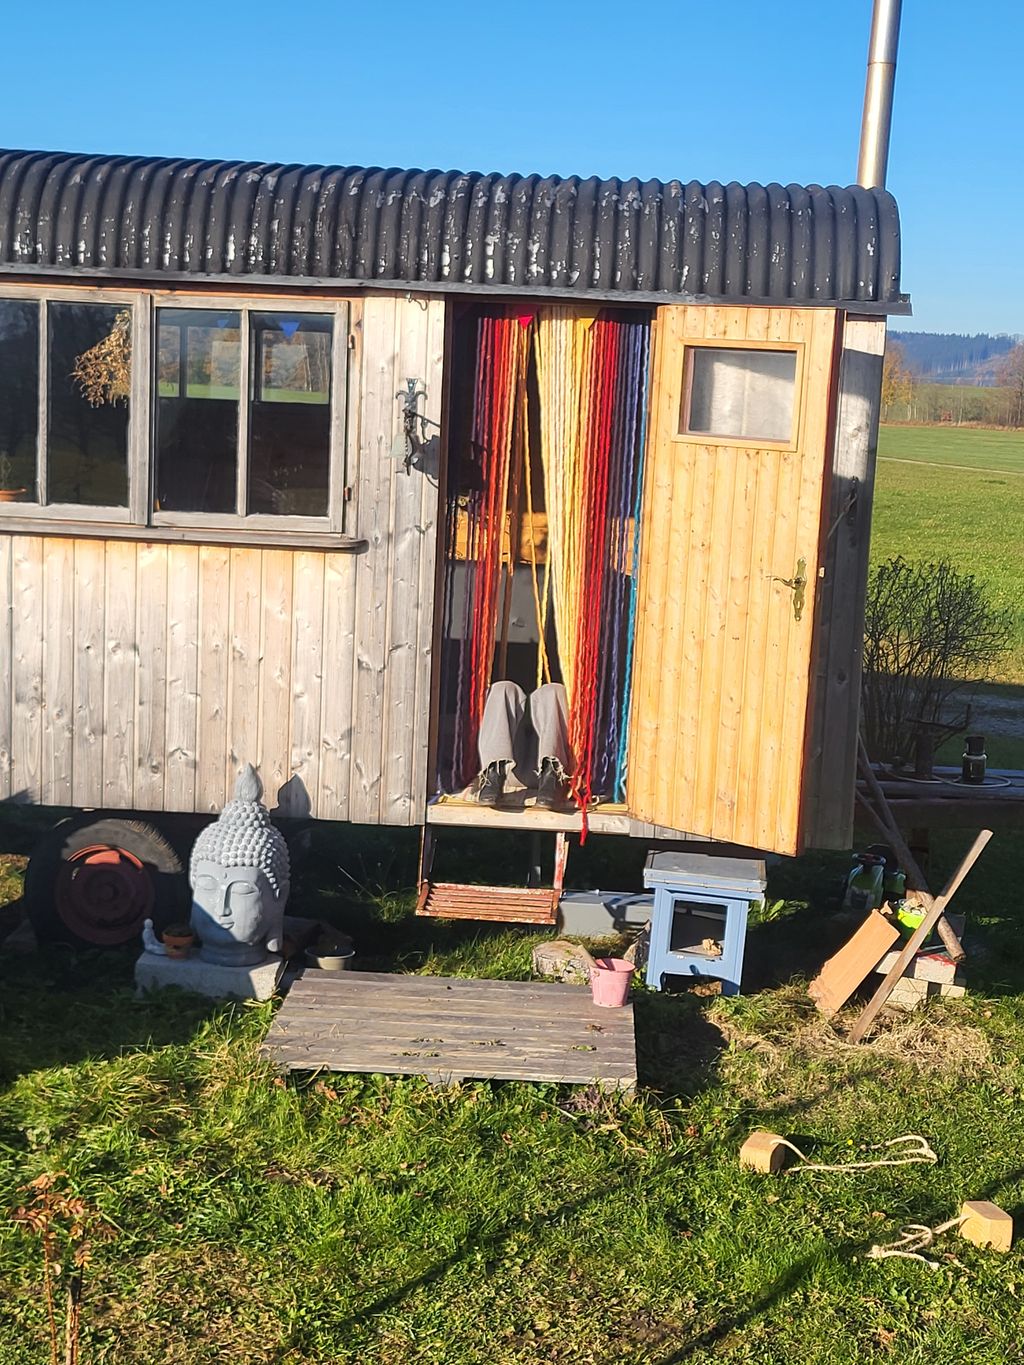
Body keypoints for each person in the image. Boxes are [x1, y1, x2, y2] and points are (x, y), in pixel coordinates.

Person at [476, 680, 573, 808]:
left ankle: (552, 773)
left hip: (548, 778)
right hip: (509, 772)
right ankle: (493, 773)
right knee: (503, 688)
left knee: (553, 691)